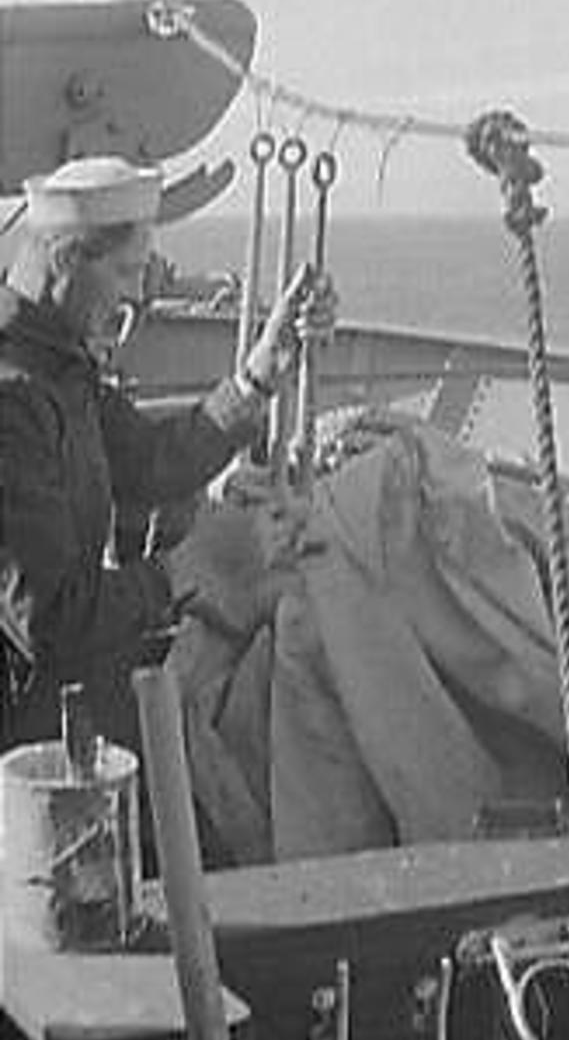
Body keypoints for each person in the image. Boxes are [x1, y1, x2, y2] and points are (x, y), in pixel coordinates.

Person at [0, 154, 335, 753]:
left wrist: (258, 376)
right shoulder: (14, 399)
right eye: (126, 271)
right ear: (67, 260)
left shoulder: (54, 364)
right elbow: (49, 619)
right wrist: (185, 569)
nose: (136, 294)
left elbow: (148, 460)